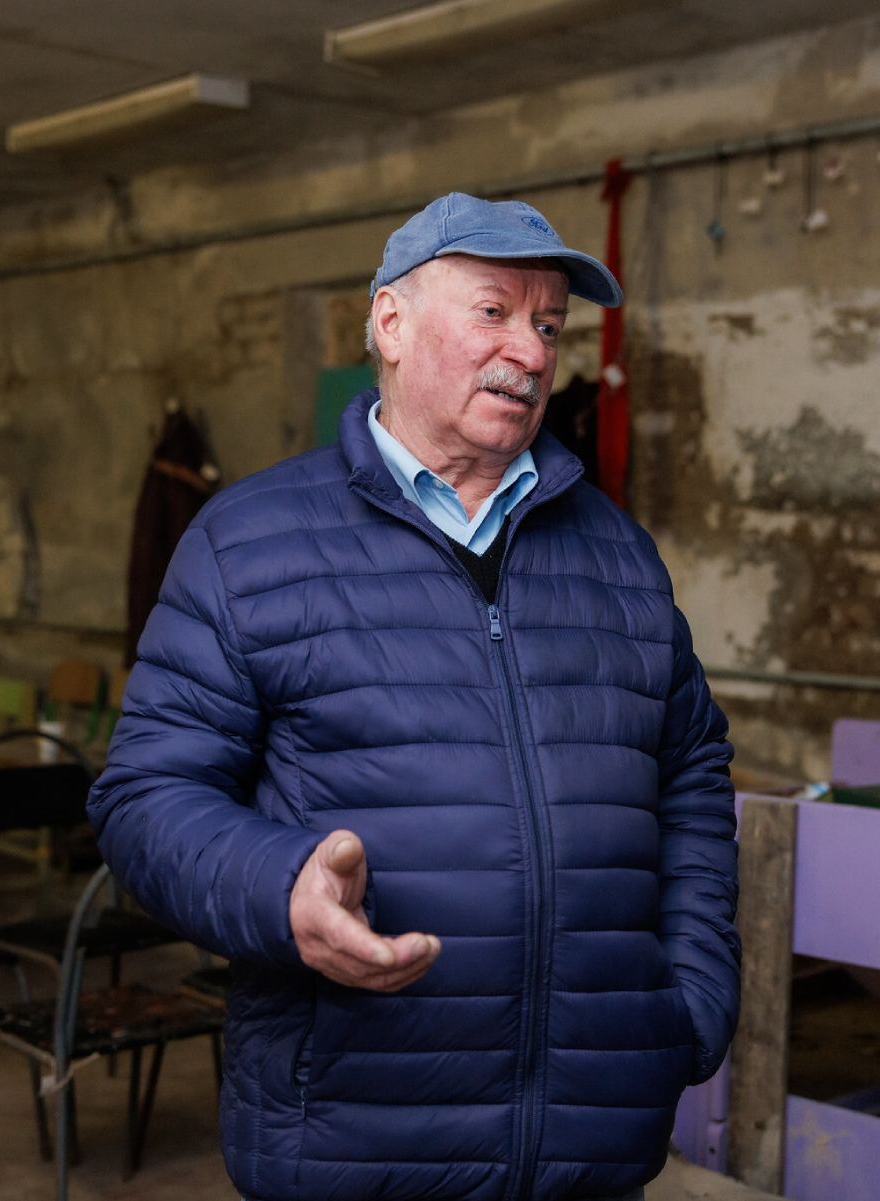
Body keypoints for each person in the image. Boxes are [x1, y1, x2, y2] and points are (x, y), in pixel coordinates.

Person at [90, 192, 740, 1201]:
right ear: (389, 323)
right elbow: (142, 799)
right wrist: (280, 888)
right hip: (351, 1145)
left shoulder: (615, 553)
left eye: (549, 324)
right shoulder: (248, 542)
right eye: (494, 312)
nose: (529, 352)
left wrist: (691, 995)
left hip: (592, 1145)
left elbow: (692, 763)